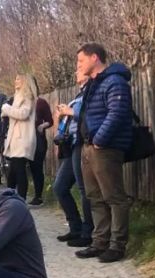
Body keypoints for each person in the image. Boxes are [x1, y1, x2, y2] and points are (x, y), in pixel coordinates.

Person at [74, 43, 134, 263]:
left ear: (95, 58)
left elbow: (117, 112)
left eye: (81, 60)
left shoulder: (114, 82)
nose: (78, 65)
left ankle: (117, 245)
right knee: (95, 197)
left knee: (114, 197)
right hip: (88, 147)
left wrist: (100, 139)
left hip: (105, 148)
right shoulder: (93, 84)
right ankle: (100, 242)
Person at [54, 71, 94, 248]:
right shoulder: (80, 93)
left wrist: (69, 111)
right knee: (60, 187)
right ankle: (75, 227)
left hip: (82, 143)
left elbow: (89, 114)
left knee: (84, 189)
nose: (76, 71)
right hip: (70, 145)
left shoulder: (93, 90)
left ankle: (88, 232)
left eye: (79, 67)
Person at [1, 74, 38, 200]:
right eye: (15, 78)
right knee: (13, 171)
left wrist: (6, 108)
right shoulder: (17, 96)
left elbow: (23, 114)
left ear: (24, 81)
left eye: (18, 79)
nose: (15, 81)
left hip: (22, 138)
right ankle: (10, 198)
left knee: (19, 170)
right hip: (16, 138)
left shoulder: (27, 96)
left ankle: (20, 199)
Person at [29, 79, 53, 206]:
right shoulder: (19, 103)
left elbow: (50, 120)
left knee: (36, 168)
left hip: (38, 140)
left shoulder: (41, 103)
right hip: (24, 140)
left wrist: (42, 126)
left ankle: (38, 196)